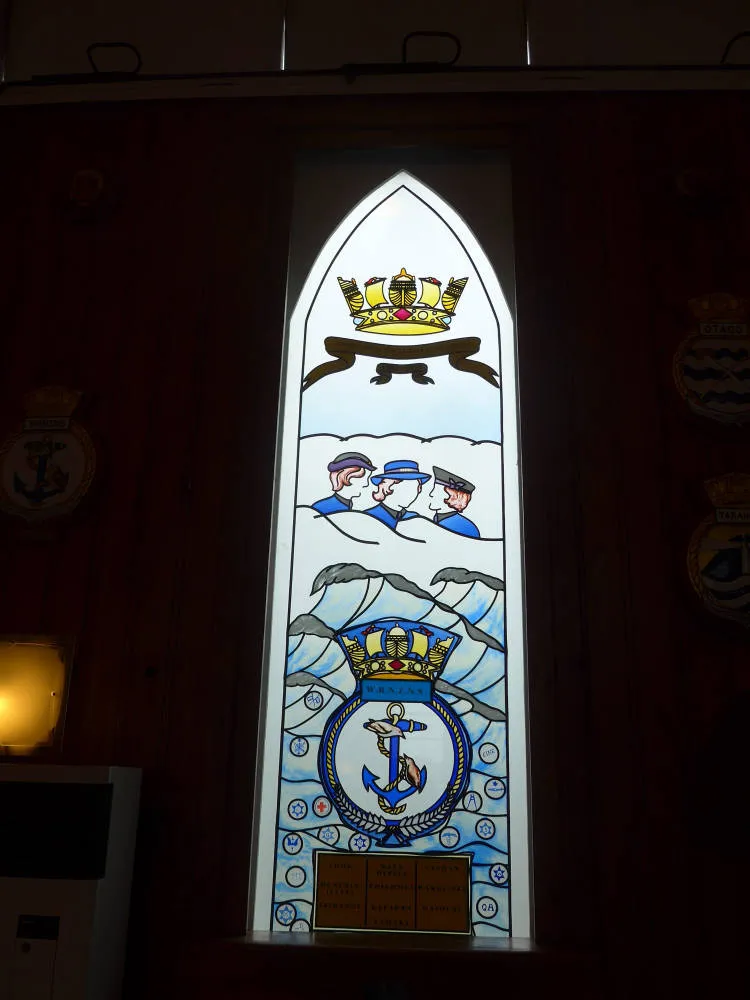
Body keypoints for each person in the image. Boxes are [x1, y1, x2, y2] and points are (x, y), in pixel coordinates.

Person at [363, 460, 430, 530]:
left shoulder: (414, 517)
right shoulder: (369, 516)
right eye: (406, 489)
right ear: (388, 486)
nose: (411, 494)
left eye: (415, 488)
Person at [428, 466, 480, 538]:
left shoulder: (466, 527)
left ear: (454, 497)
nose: (431, 494)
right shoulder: (437, 519)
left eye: (436, 490)